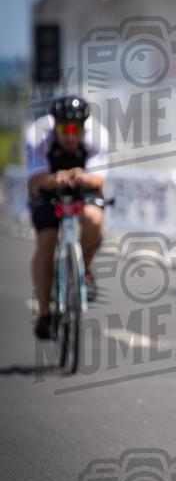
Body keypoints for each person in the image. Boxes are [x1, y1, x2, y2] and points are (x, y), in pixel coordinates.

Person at [25, 94, 110, 339]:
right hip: (48, 187)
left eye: (77, 129)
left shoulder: (97, 135)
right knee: (47, 239)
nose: (71, 135)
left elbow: (99, 182)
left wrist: (82, 177)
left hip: (82, 187)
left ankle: (84, 269)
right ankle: (44, 313)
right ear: (55, 126)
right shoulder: (38, 135)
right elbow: (36, 184)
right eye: (65, 129)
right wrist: (55, 180)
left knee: (94, 221)